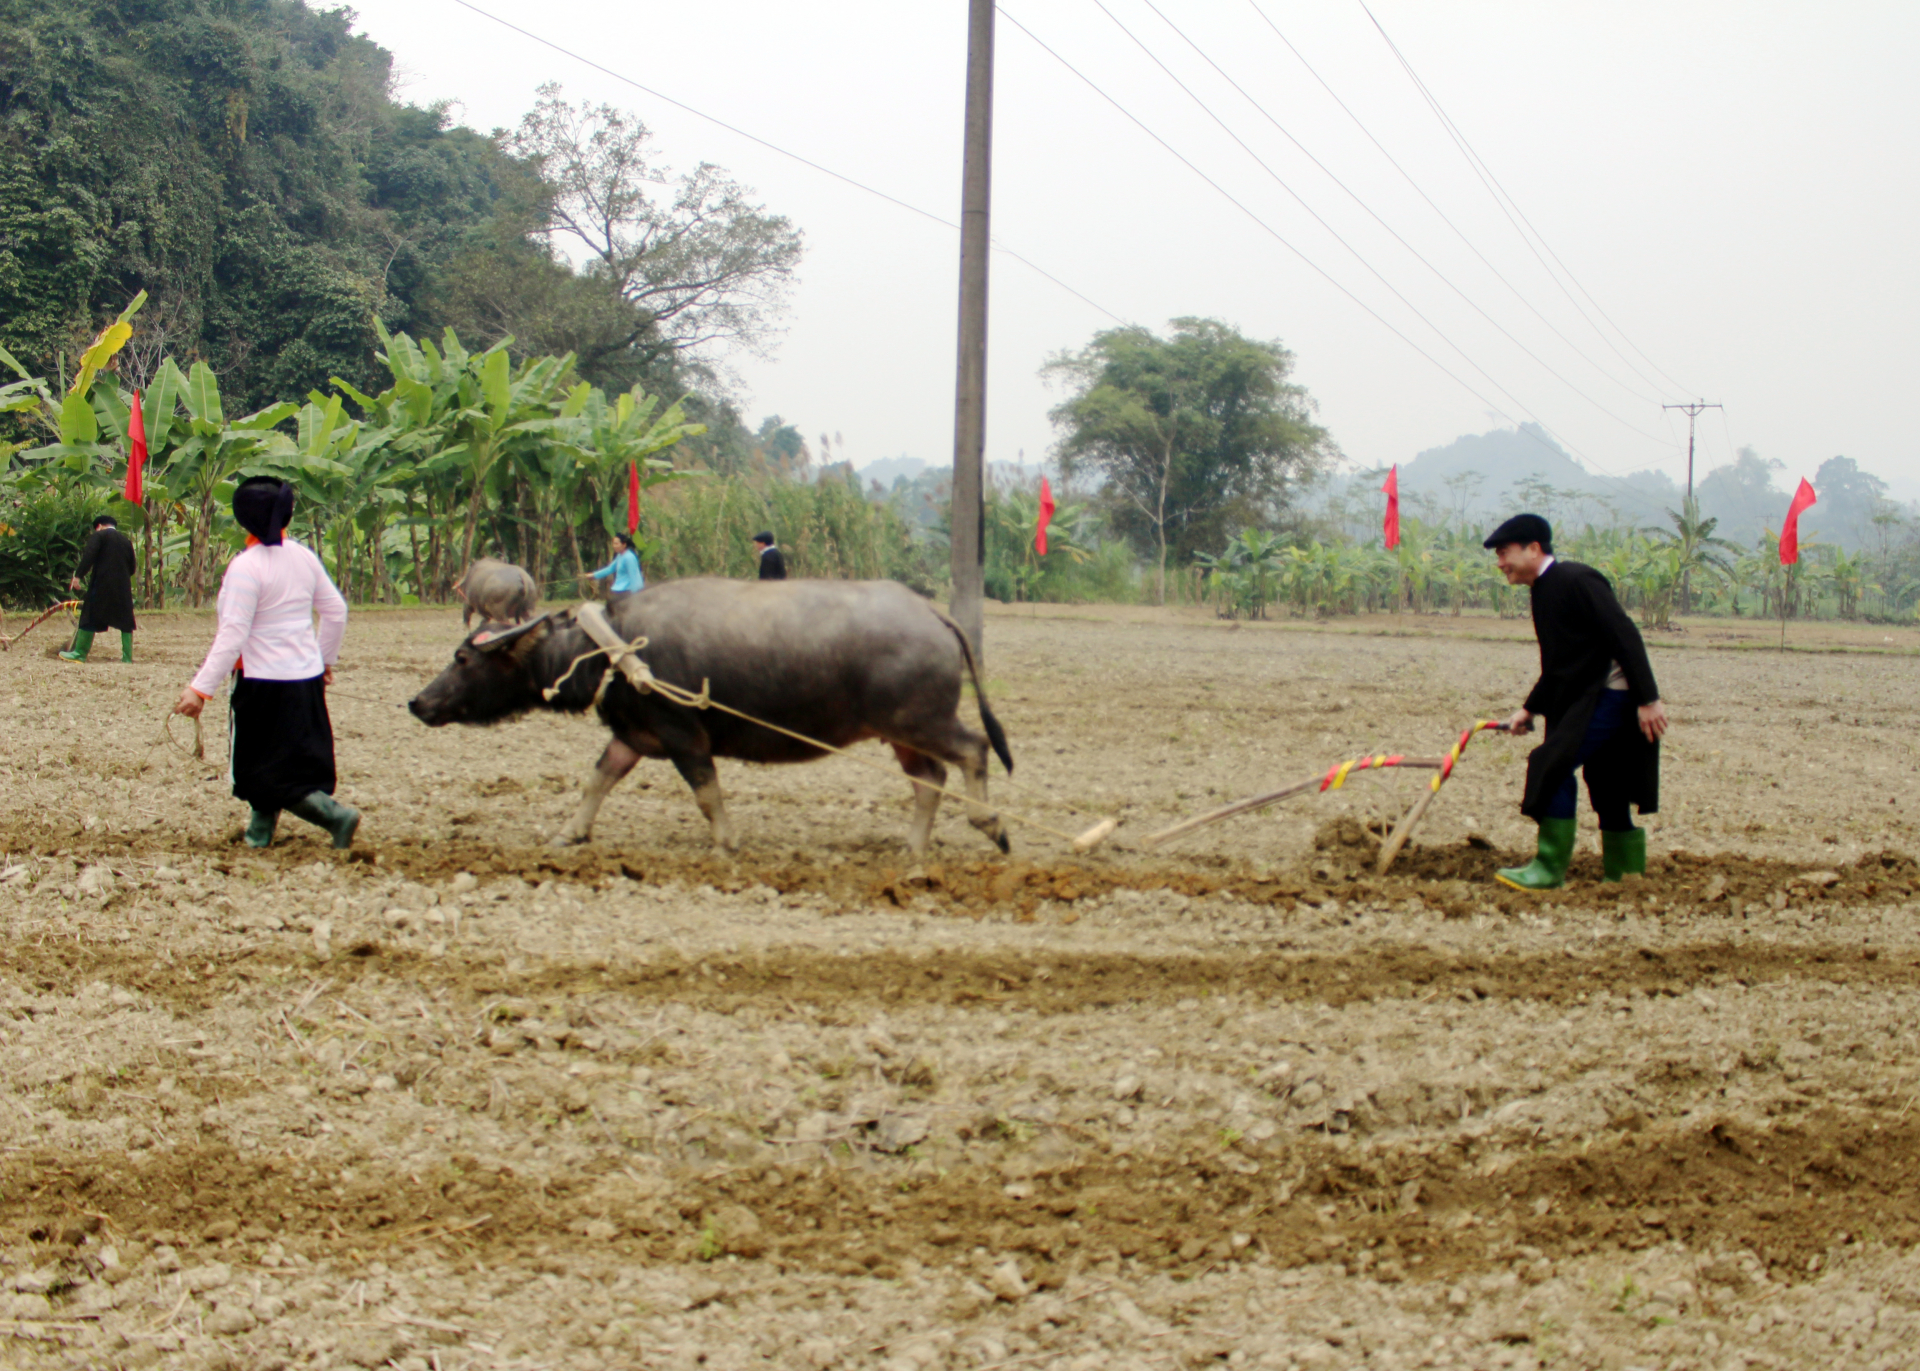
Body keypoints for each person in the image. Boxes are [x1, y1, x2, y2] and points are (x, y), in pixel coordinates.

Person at [171, 477, 359, 849]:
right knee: (290, 761)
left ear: (243, 520)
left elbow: (232, 635)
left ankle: (336, 817)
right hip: (305, 681)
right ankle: (259, 835)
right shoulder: (304, 556)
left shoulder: (246, 567)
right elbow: (335, 611)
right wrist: (322, 661)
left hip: (261, 683)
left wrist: (199, 689)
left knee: (260, 770)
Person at [1485, 513, 1669, 889]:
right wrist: (1529, 708)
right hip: (1585, 695)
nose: (1500, 563)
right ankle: (1625, 873)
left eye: (1504, 553)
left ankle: (1549, 868)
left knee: (1550, 764)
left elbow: (1625, 635)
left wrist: (1649, 699)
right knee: (1606, 778)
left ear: (1534, 549)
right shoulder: (1543, 590)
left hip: (1609, 695)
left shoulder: (1576, 579)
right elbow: (1559, 665)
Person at [61, 514, 138, 663]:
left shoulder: (99, 536)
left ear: (99, 526)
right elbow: (132, 567)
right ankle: (127, 658)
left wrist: (78, 576)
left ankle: (79, 654)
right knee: (125, 619)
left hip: (102, 583)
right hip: (122, 586)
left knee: (90, 614)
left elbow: (89, 556)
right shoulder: (126, 541)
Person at [588, 533, 644, 597]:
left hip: (628, 591)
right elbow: (610, 569)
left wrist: (636, 596)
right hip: (620, 590)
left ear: (624, 545)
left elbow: (634, 577)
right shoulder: (620, 556)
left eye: (616, 543)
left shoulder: (629, 557)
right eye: (613, 543)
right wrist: (593, 575)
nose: (614, 546)